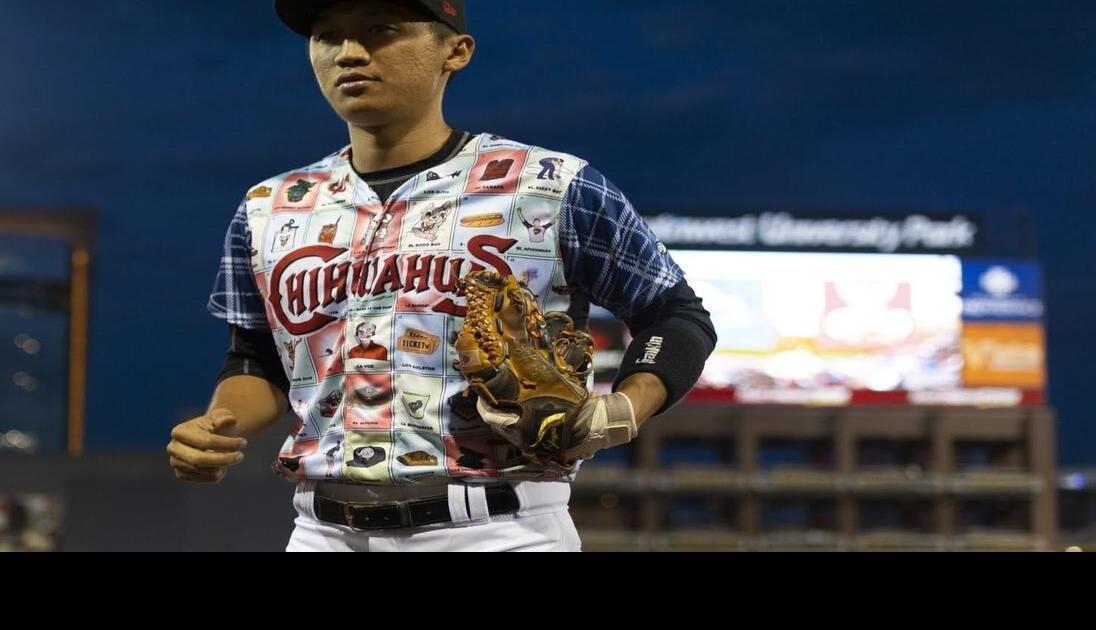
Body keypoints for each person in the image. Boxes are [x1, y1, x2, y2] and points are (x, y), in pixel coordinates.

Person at [167, 0, 717, 552]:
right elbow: (256, 355)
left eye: (379, 31)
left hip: (501, 528)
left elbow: (674, 313)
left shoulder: (550, 186)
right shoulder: (272, 207)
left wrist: (626, 407)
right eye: (328, 36)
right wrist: (220, 424)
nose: (349, 53)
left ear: (456, 51)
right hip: (321, 532)